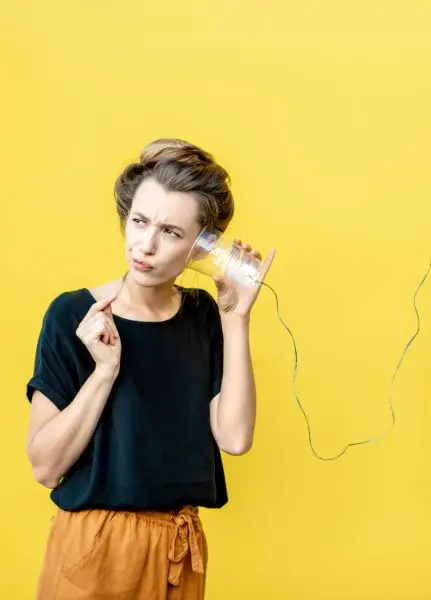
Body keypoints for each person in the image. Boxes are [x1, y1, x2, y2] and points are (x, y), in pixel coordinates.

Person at [25, 139, 274, 599]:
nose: (146, 245)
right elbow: (44, 466)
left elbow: (235, 439)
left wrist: (236, 319)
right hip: (94, 548)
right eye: (139, 222)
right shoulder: (73, 316)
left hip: (177, 550)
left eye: (172, 233)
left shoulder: (205, 316)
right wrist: (103, 372)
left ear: (201, 247)